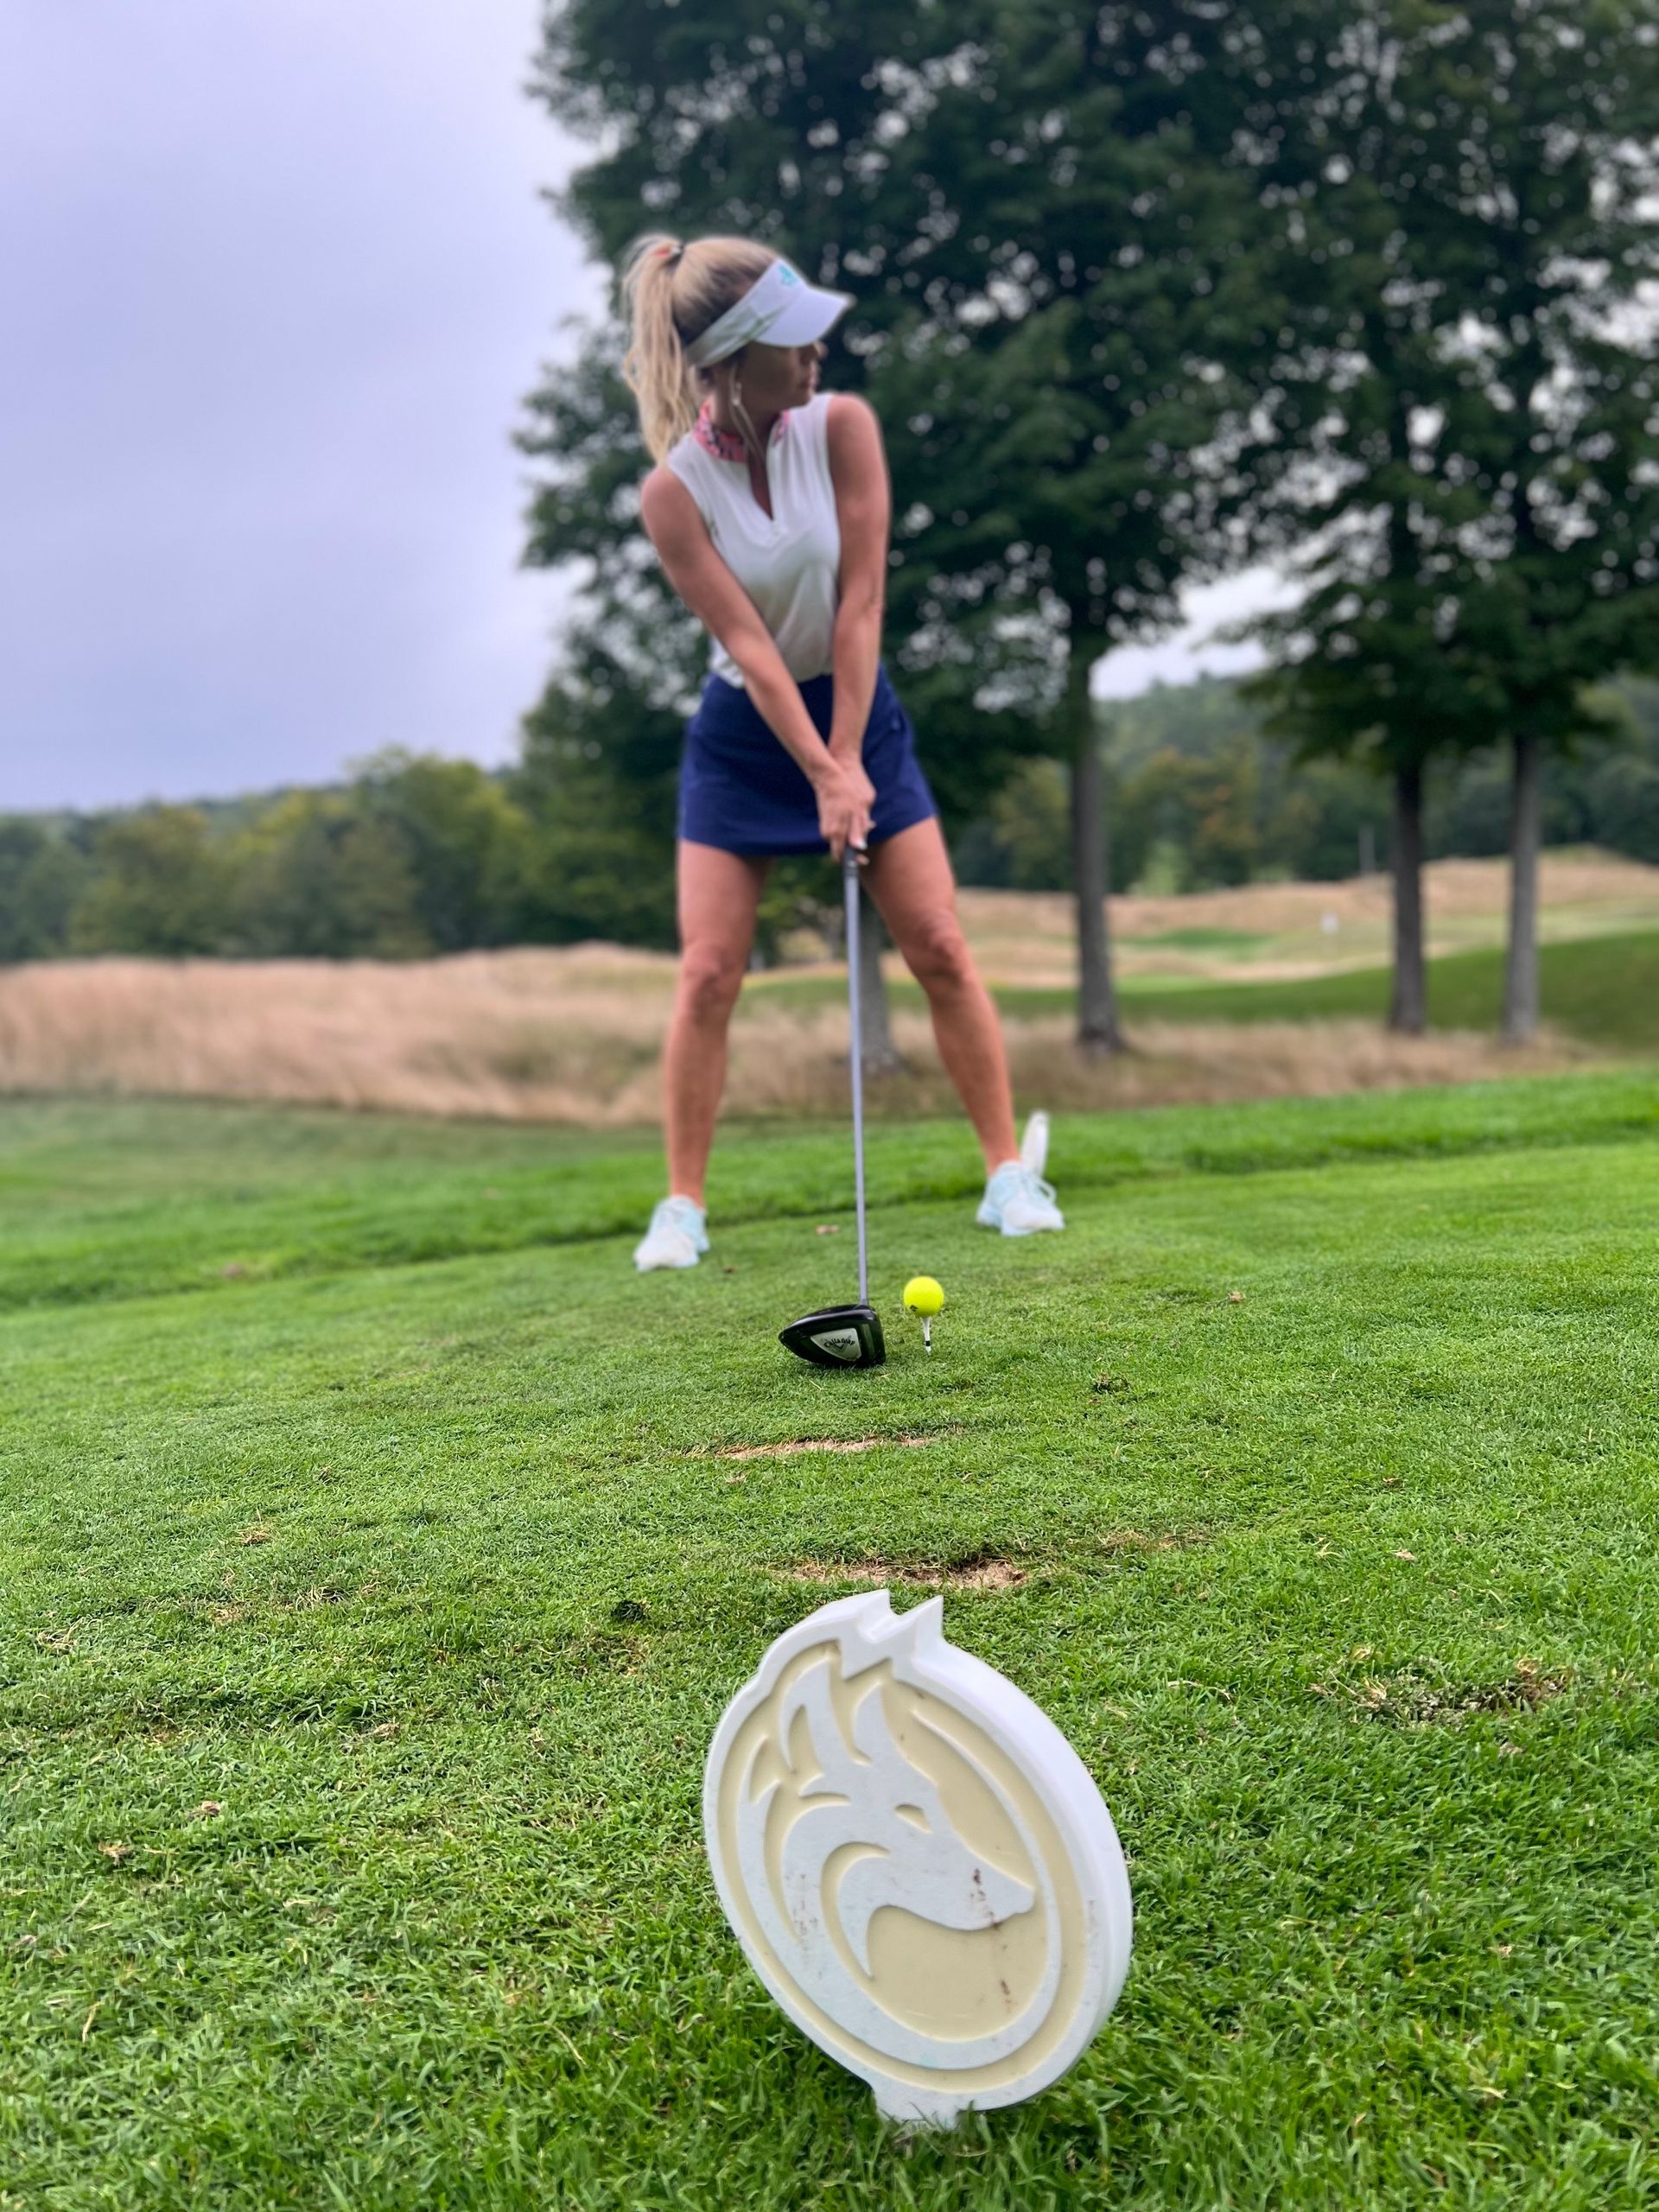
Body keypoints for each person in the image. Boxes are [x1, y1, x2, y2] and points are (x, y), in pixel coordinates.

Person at [619, 232, 1064, 1272]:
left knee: (939, 944)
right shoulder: (673, 492)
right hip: (744, 736)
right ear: (732, 362)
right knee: (708, 973)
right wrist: (819, 771)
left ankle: (1007, 1175)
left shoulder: (843, 428)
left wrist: (849, 757)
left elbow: (861, 603)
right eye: (795, 339)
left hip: (859, 709)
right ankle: (682, 1207)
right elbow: (747, 644)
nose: (818, 354)